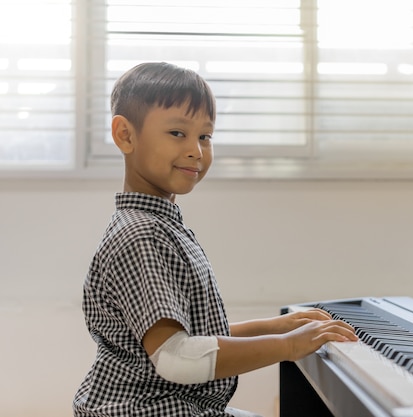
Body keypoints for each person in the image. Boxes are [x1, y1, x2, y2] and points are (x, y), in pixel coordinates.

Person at [72, 62, 357, 417]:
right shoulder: (141, 234)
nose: (196, 150)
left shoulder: (159, 225)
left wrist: (274, 326)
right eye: (178, 133)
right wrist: (287, 345)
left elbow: (192, 336)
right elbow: (176, 358)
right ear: (125, 135)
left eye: (205, 136)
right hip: (147, 411)